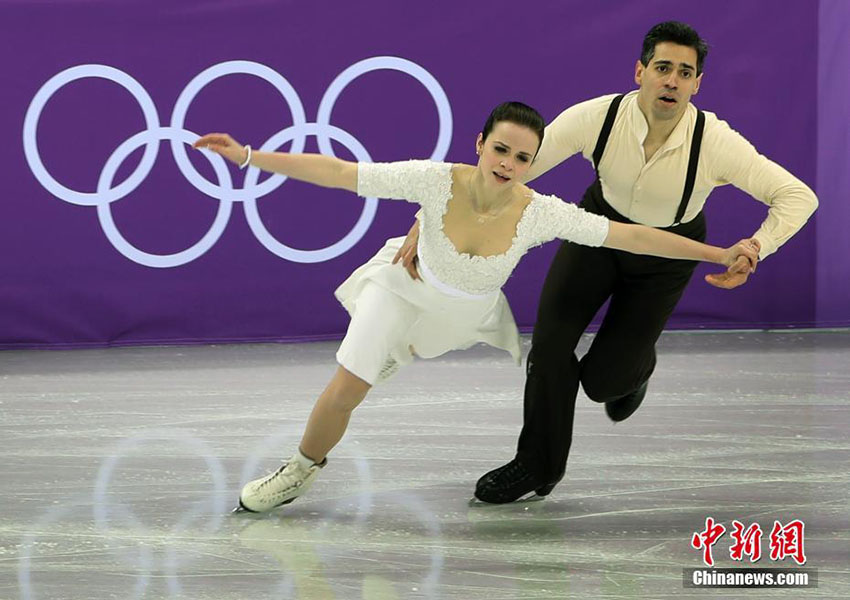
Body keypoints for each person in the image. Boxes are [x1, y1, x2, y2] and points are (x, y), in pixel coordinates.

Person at [193, 101, 758, 513]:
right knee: (348, 385)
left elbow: (631, 235)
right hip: (403, 286)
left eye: (522, 157)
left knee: (405, 348)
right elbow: (341, 174)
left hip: (460, 315)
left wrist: (717, 252)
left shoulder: (540, 213)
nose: (508, 163)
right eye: (501, 149)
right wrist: (249, 157)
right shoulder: (434, 182)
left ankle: (398, 350)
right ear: (480, 143)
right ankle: (300, 469)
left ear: (532, 163)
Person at [393, 22, 818, 504]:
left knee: (602, 383)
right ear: (640, 71)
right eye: (662, 68)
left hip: (665, 254)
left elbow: (797, 196)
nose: (672, 81)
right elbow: (506, 170)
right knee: (550, 350)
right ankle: (537, 465)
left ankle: (637, 366)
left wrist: (758, 245)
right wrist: (429, 220)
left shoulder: (716, 142)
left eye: (684, 72)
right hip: (597, 234)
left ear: (697, 83)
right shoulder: (598, 116)